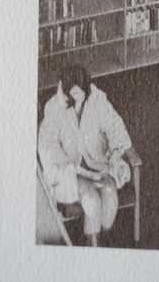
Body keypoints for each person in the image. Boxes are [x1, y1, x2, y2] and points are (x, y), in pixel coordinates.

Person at [38, 65, 132, 246]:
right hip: (72, 169)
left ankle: (103, 240)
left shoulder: (97, 99)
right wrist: (67, 166)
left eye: (81, 94)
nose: (78, 100)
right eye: (73, 96)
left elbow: (115, 126)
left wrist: (114, 154)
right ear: (66, 92)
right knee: (92, 203)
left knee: (111, 197)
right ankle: (92, 247)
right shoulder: (54, 108)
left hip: (98, 164)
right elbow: (47, 144)